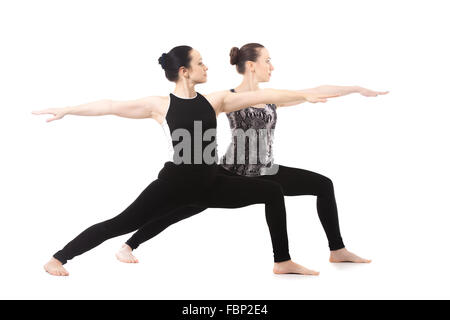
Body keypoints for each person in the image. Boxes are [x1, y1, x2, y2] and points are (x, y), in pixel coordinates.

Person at [32, 45, 336, 276]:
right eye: (200, 62)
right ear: (185, 72)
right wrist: (68, 109)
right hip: (174, 185)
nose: (206, 67)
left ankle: (282, 261)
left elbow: (265, 96)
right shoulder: (160, 106)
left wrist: (304, 95)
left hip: (212, 183)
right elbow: (111, 106)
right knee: (120, 223)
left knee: (272, 191)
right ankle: (58, 257)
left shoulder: (214, 101)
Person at [114, 43, 388, 267]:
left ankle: (336, 249)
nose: (272, 66)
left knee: (323, 185)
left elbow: (311, 92)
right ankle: (129, 244)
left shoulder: (271, 96)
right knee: (183, 207)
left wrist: (355, 89)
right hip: (231, 171)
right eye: (267, 60)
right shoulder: (229, 98)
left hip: (266, 168)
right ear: (251, 65)